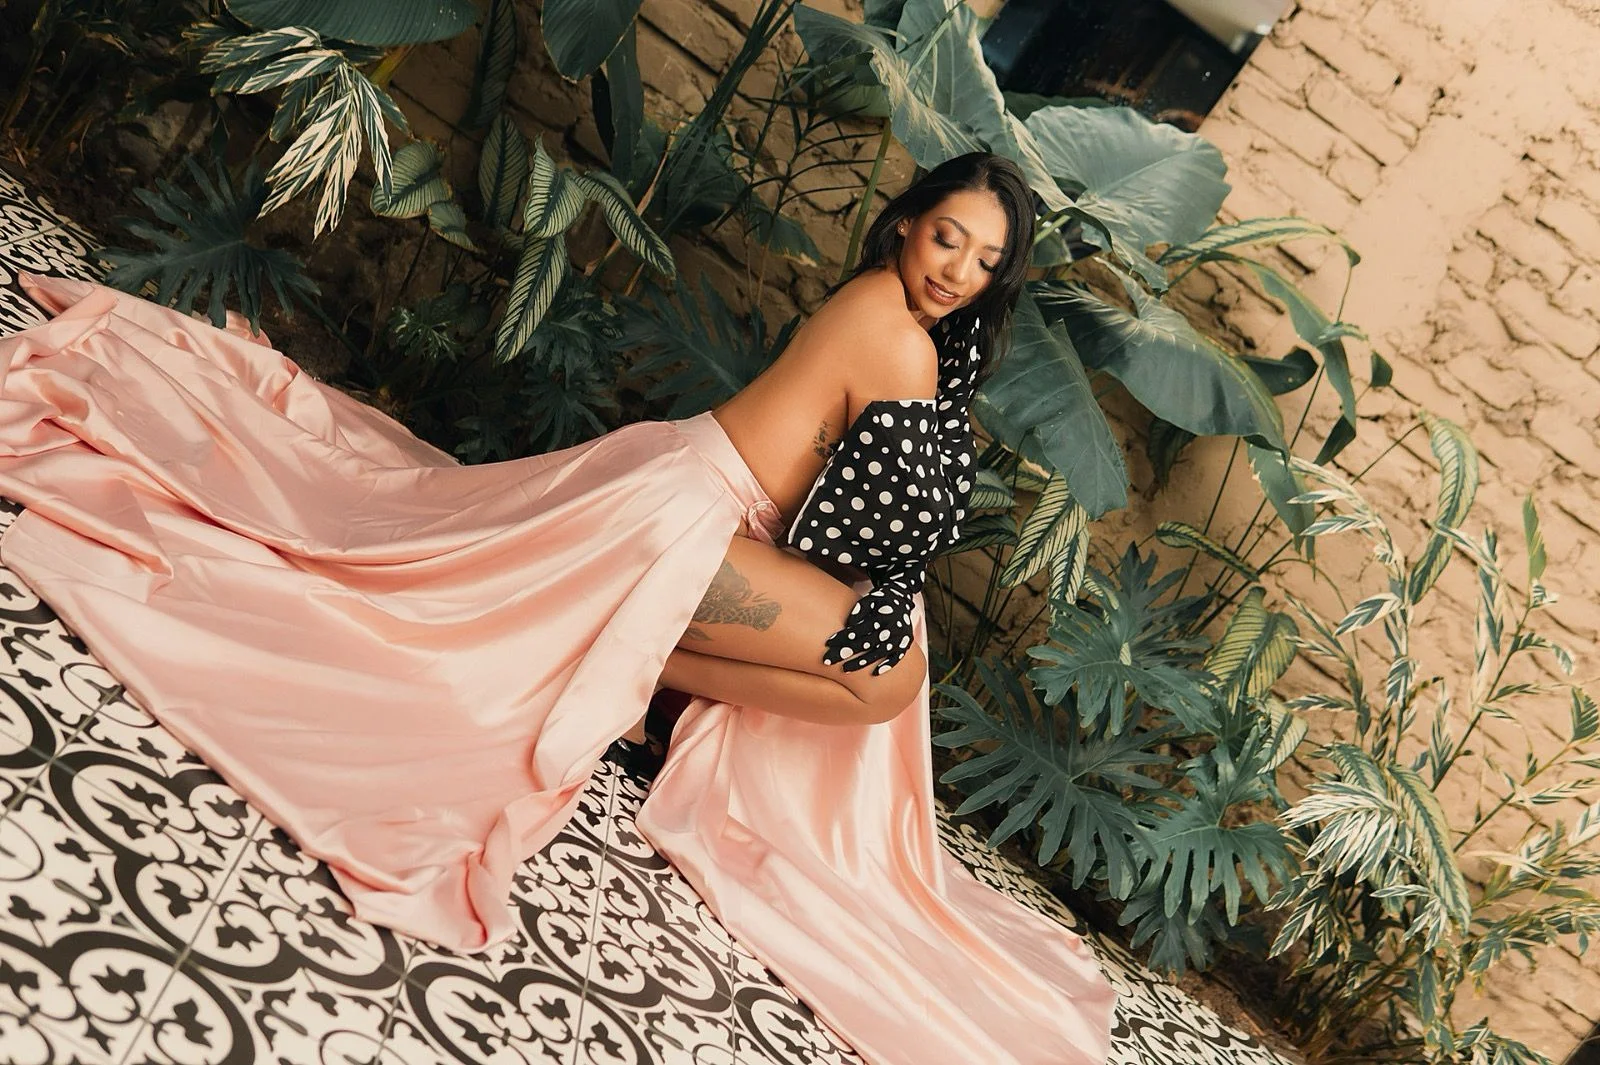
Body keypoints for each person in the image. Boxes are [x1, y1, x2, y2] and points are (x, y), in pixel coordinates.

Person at [0, 151, 1114, 1064]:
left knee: (886, 648)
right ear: (906, 224)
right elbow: (895, 529)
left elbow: (858, 519)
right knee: (887, 672)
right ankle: (638, 679)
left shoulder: (894, 317)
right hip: (686, 521)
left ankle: (637, 677)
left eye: (986, 261)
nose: (959, 270)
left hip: (685, 497)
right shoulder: (897, 336)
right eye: (947, 238)